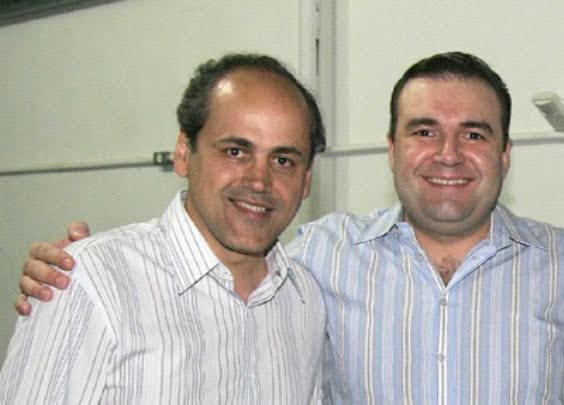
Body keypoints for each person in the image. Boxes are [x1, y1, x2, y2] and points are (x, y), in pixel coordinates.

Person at [14, 52, 564, 403]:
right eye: (424, 131)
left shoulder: (296, 289)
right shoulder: (321, 257)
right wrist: (76, 271)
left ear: (505, 153)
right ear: (392, 150)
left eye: (474, 134)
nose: (448, 154)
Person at [1, 53, 328, 404]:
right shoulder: (92, 283)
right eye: (235, 151)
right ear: (184, 153)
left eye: (283, 161)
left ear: (306, 180)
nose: (259, 180)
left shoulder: (304, 299)